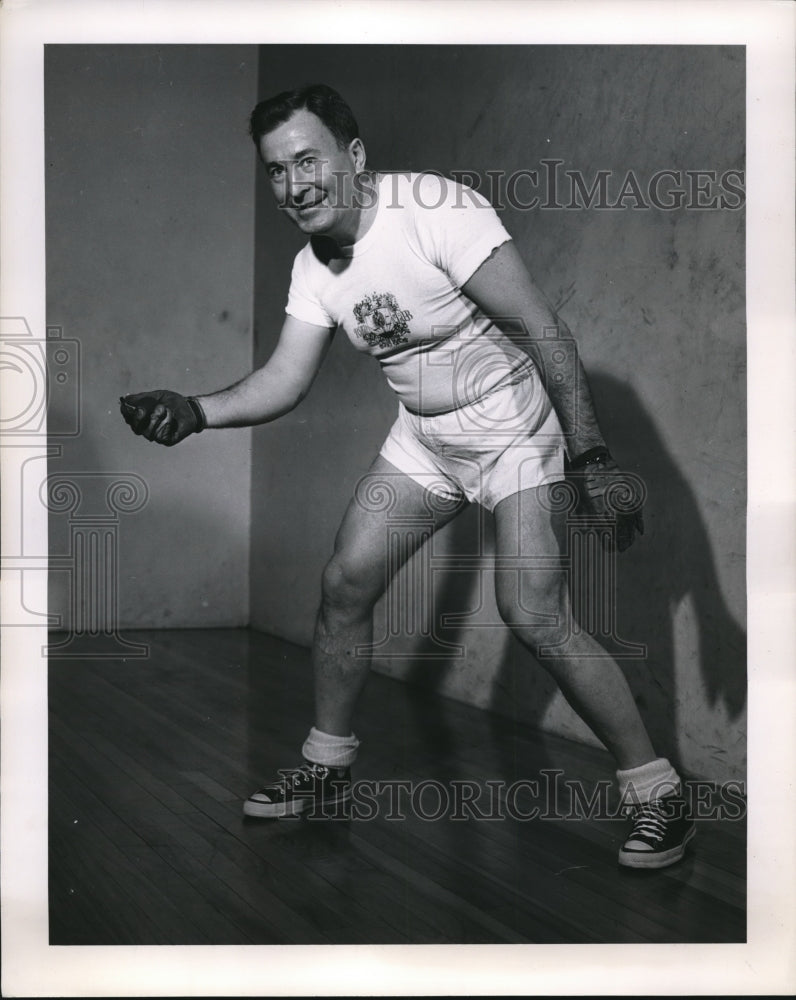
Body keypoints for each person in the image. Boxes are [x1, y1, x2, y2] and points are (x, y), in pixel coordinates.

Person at [120, 84, 694, 869]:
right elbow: (284, 381)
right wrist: (194, 409)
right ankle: (325, 771)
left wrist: (591, 455)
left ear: (355, 157)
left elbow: (545, 330)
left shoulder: (435, 210)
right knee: (346, 582)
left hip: (513, 434)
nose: (296, 185)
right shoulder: (313, 267)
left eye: (309, 160)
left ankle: (658, 792)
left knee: (531, 611)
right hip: (425, 442)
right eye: (277, 171)